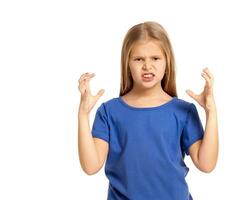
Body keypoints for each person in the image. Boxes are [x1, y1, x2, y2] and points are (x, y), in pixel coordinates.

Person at [77, 21, 218, 200]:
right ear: (127, 63)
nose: (147, 66)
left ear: (167, 61)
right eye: (138, 59)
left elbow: (206, 164)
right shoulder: (109, 112)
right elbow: (90, 166)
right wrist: (83, 114)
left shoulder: (184, 111)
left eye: (155, 58)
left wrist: (211, 112)